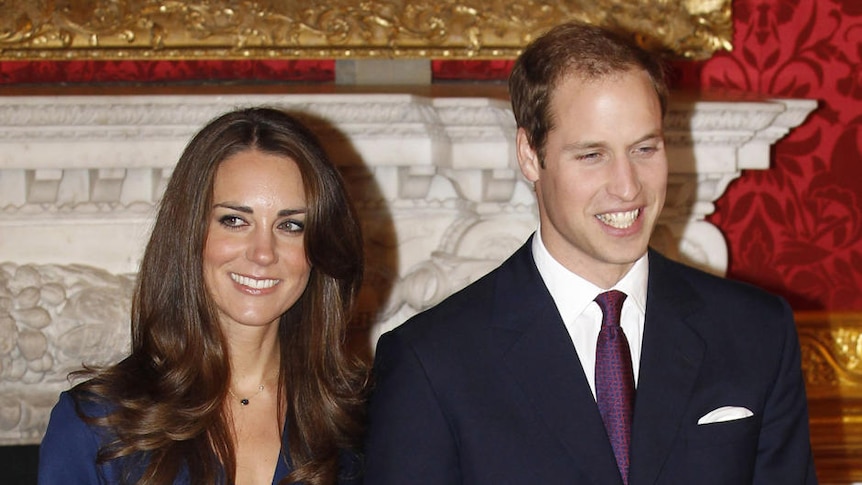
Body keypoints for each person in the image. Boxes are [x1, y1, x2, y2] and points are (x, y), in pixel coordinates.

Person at [363, 21, 817, 484]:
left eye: (644, 148)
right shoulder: (431, 361)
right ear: (528, 154)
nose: (627, 187)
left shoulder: (756, 332)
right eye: (591, 155)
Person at [38, 107, 368, 485]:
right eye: (234, 220)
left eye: (291, 225)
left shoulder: (360, 420)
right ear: (190, 233)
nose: (263, 252)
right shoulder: (95, 426)